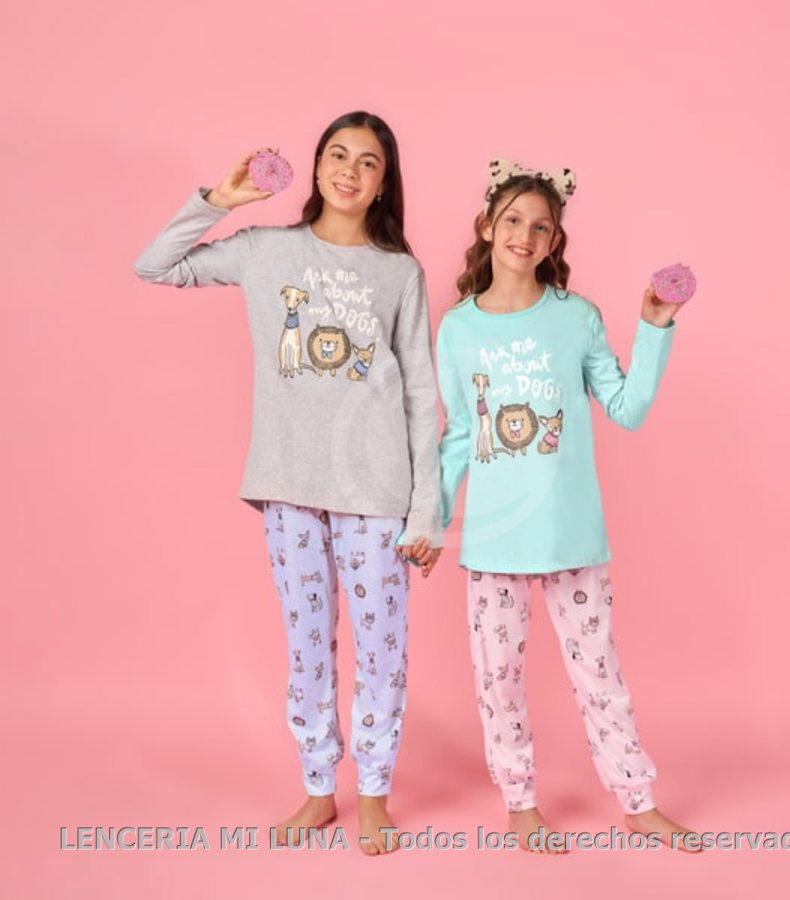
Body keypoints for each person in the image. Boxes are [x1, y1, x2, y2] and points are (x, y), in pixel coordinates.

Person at [133, 111, 442, 855]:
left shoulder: (399, 272)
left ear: (383, 183)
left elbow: (419, 391)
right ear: (316, 166)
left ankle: (374, 794)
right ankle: (318, 789)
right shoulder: (266, 251)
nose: (349, 171)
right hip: (290, 484)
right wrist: (220, 199)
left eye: (367, 162)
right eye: (337, 154)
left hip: (376, 489)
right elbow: (155, 265)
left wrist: (425, 509)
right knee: (307, 645)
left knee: (381, 649)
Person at [434, 158, 698, 853]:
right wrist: (429, 521)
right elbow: (458, 436)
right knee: (498, 680)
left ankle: (638, 801)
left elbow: (627, 409)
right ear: (487, 225)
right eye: (513, 220)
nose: (524, 235)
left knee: (599, 673)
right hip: (494, 542)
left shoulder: (576, 318)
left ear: (555, 241)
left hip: (571, 536)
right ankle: (520, 803)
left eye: (541, 227)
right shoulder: (458, 329)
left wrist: (654, 328)